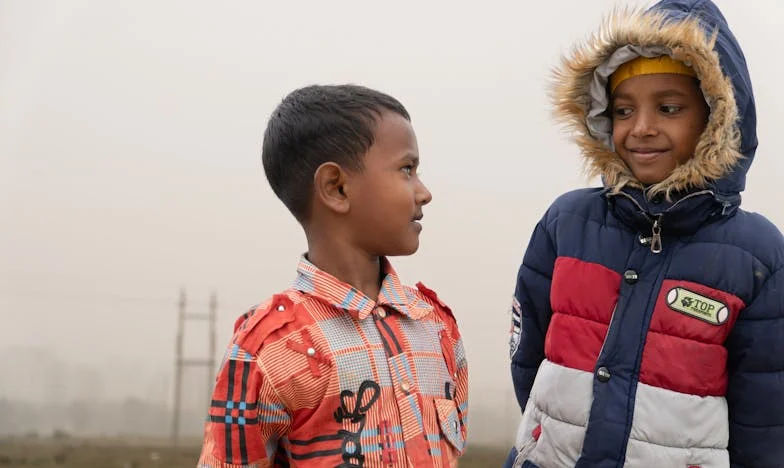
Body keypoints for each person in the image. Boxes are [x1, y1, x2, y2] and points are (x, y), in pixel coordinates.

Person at [506, 1, 783, 466]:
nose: (642, 128)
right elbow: (528, 359)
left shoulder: (756, 255)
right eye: (623, 110)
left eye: (669, 108)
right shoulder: (567, 223)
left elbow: (766, 419)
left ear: (716, 116)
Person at [197, 84, 468, 468]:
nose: (424, 193)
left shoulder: (436, 326)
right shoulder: (267, 350)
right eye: (407, 169)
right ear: (336, 188)